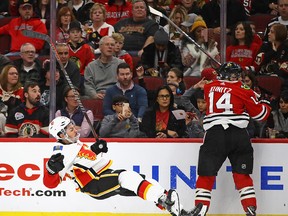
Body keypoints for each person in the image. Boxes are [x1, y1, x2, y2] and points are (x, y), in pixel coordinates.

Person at [44, 116, 202, 216]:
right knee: (126, 177)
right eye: (70, 129)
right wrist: (51, 170)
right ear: (61, 135)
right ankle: (164, 201)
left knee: (144, 181)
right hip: (94, 184)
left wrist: (95, 149)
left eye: (72, 126)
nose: (75, 129)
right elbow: (49, 183)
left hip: (101, 176)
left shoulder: (73, 143)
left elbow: (83, 160)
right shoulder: (62, 151)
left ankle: (180, 211)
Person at [193, 62, 271, 216]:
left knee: (206, 174)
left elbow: (213, 82)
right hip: (238, 135)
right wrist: (264, 102)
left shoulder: (209, 87)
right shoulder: (243, 89)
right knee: (242, 175)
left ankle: (200, 209)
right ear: (236, 75)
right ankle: (250, 208)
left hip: (214, 134)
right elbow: (260, 115)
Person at [67, 20, 95, 92]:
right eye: (73, 32)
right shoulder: (65, 47)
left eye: (77, 32)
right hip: (67, 76)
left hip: (82, 77)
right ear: (69, 34)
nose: (75, 34)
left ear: (81, 33)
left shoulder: (86, 48)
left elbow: (90, 65)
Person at [0, 65, 24, 136]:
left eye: (16, 74)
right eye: (11, 74)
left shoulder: (22, 91)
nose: (15, 75)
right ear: (4, 75)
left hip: (15, 122)